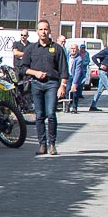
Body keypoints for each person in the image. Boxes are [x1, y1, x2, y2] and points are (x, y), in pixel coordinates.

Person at [20, 20, 63, 154]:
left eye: (45, 29)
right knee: (39, 116)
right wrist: (35, 73)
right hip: (36, 84)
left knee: (51, 114)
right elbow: (23, 68)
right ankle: (42, 145)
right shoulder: (31, 49)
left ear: (49, 31)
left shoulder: (57, 48)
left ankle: (52, 144)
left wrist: (63, 86)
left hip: (52, 84)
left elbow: (64, 70)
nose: (43, 32)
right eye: (41, 29)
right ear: (37, 32)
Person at [88, 37, 108, 112]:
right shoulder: (105, 51)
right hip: (102, 72)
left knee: (99, 90)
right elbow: (94, 57)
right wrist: (99, 65)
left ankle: (93, 106)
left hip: (106, 72)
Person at [65, 41, 89, 114]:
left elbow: (77, 72)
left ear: (77, 50)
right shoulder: (68, 56)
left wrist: (75, 83)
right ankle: (67, 106)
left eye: (74, 49)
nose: (73, 50)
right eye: (72, 48)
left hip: (76, 76)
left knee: (75, 92)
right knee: (67, 90)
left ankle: (74, 107)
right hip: (68, 76)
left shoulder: (79, 59)